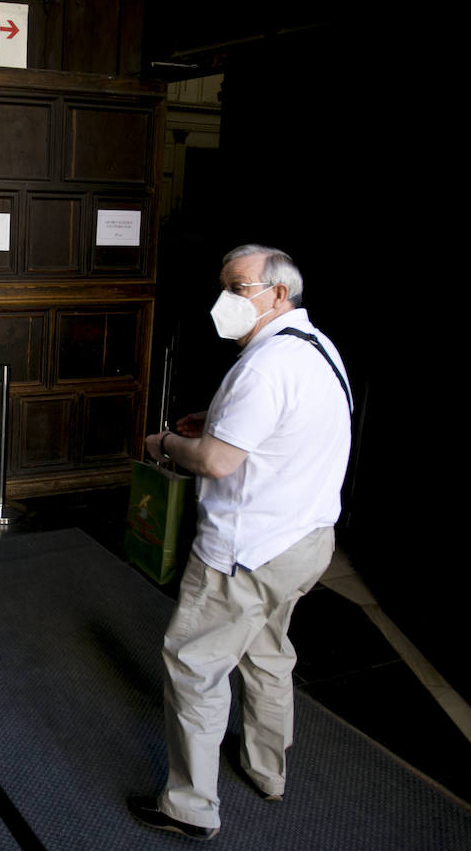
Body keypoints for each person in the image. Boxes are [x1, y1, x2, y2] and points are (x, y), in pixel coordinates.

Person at [128, 244, 352, 841]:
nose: (226, 299)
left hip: (245, 552)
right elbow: (277, 427)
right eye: (224, 286)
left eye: (240, 287)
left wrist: (166, 445)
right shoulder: (316, 348)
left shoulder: (264, 365)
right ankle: (267, 770)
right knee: (269, 655)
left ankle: (190, 807)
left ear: (279, 294)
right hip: (305, 544)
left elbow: (221, 462)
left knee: (196, 665)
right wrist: (216, 416)